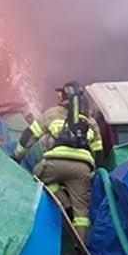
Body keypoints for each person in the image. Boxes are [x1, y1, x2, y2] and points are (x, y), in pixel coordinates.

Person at [15, 81, 104, 242]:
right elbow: (98, 151)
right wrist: (94, 173)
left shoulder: (52, 114)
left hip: (54, 163)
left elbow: (30, 135)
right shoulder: (90, 121)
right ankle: (81, 247)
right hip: (82, 168)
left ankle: (64, 204)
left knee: (38, 177)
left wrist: (17, 156)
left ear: (66, 95)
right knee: (82, 212)